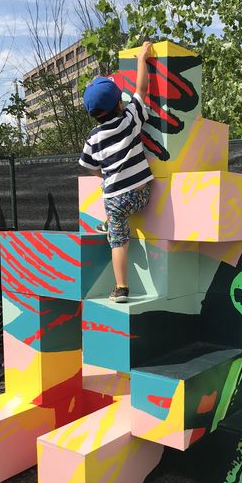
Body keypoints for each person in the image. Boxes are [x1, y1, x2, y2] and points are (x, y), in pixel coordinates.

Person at [79, 41, 154, 303]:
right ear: (119, 103)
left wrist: (105, 177)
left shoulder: (93, 137)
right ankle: (111, 221)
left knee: (118, 241)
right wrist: (142, 58)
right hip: (143, 195)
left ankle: (121, 287)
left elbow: (89, 166)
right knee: (117, 211)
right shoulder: (130, 119)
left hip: (117, 202)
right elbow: (141, 89)